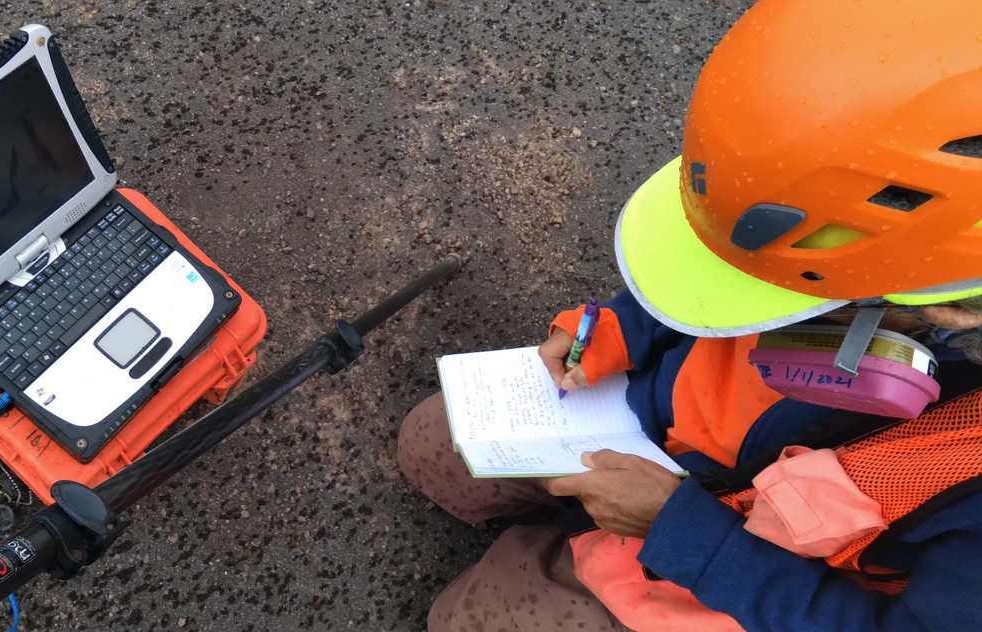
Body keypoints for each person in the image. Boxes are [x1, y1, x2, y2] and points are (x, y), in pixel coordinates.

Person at [397, 1, 982, 630]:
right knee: (430, 443)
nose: (754, 307)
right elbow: (720, 269)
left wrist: (684, 533)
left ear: (951, 308)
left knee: (467, 619)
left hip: (743, 565)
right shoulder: (861, 249)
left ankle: (570, 557)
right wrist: (618, 328)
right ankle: (565, 536)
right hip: (638, 426)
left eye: (787, 299)